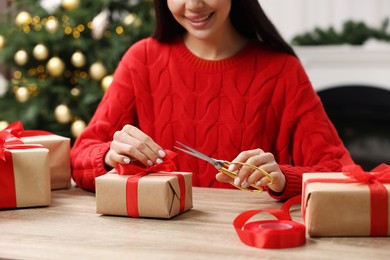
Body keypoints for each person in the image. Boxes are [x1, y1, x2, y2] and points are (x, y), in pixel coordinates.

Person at [71, 0, 353, 200]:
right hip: (156, 241)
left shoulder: (282, 71)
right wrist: (109, 155)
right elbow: (80, 156)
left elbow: (341, 173)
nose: (193, 5)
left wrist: (282, 178)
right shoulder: (141, 60)